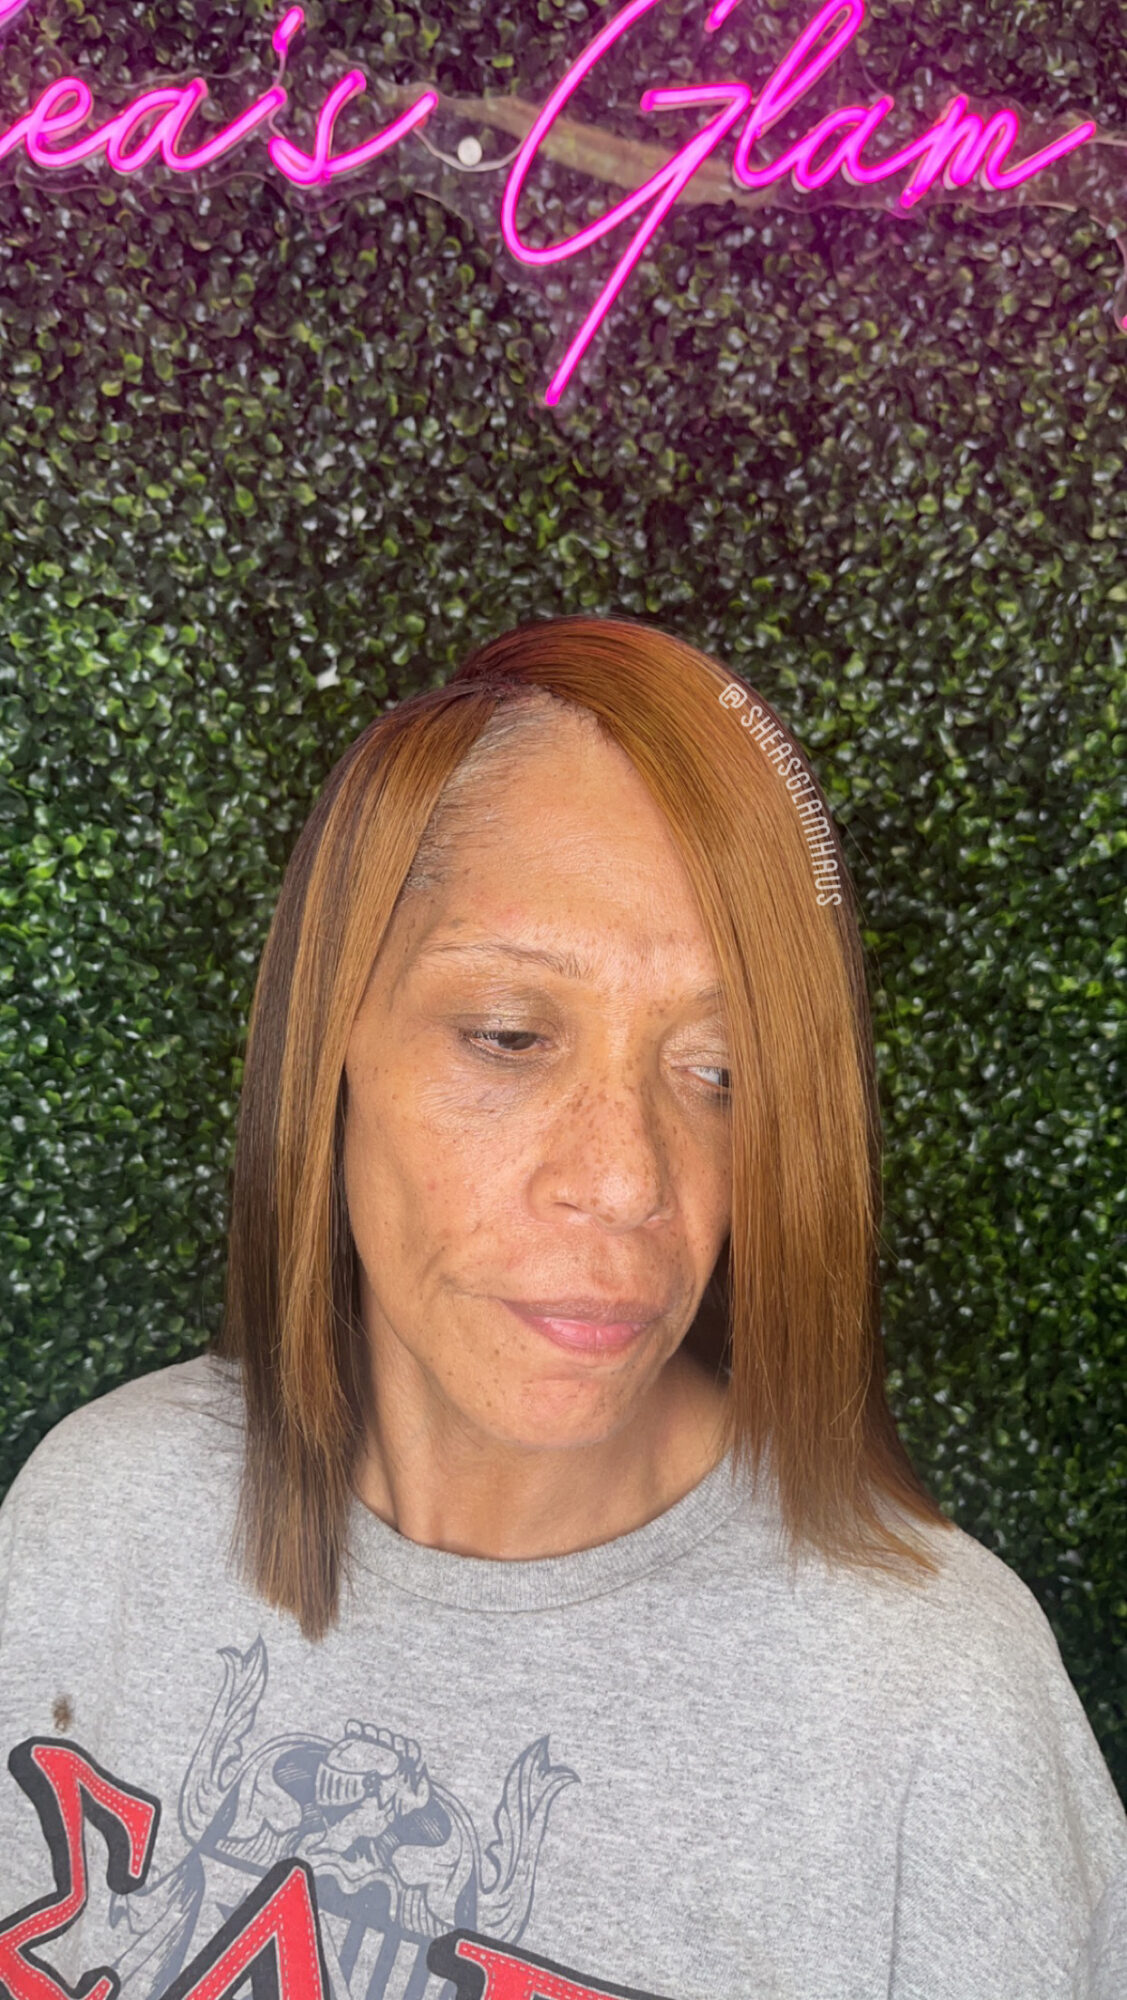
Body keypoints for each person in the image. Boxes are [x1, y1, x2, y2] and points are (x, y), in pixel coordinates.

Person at [0, 615, 1123, 2000]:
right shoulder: (99, 1520)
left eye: (722, 1073)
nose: (630, 1179)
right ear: (328, 1042)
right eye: (511, 1036)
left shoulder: (932, 1704)